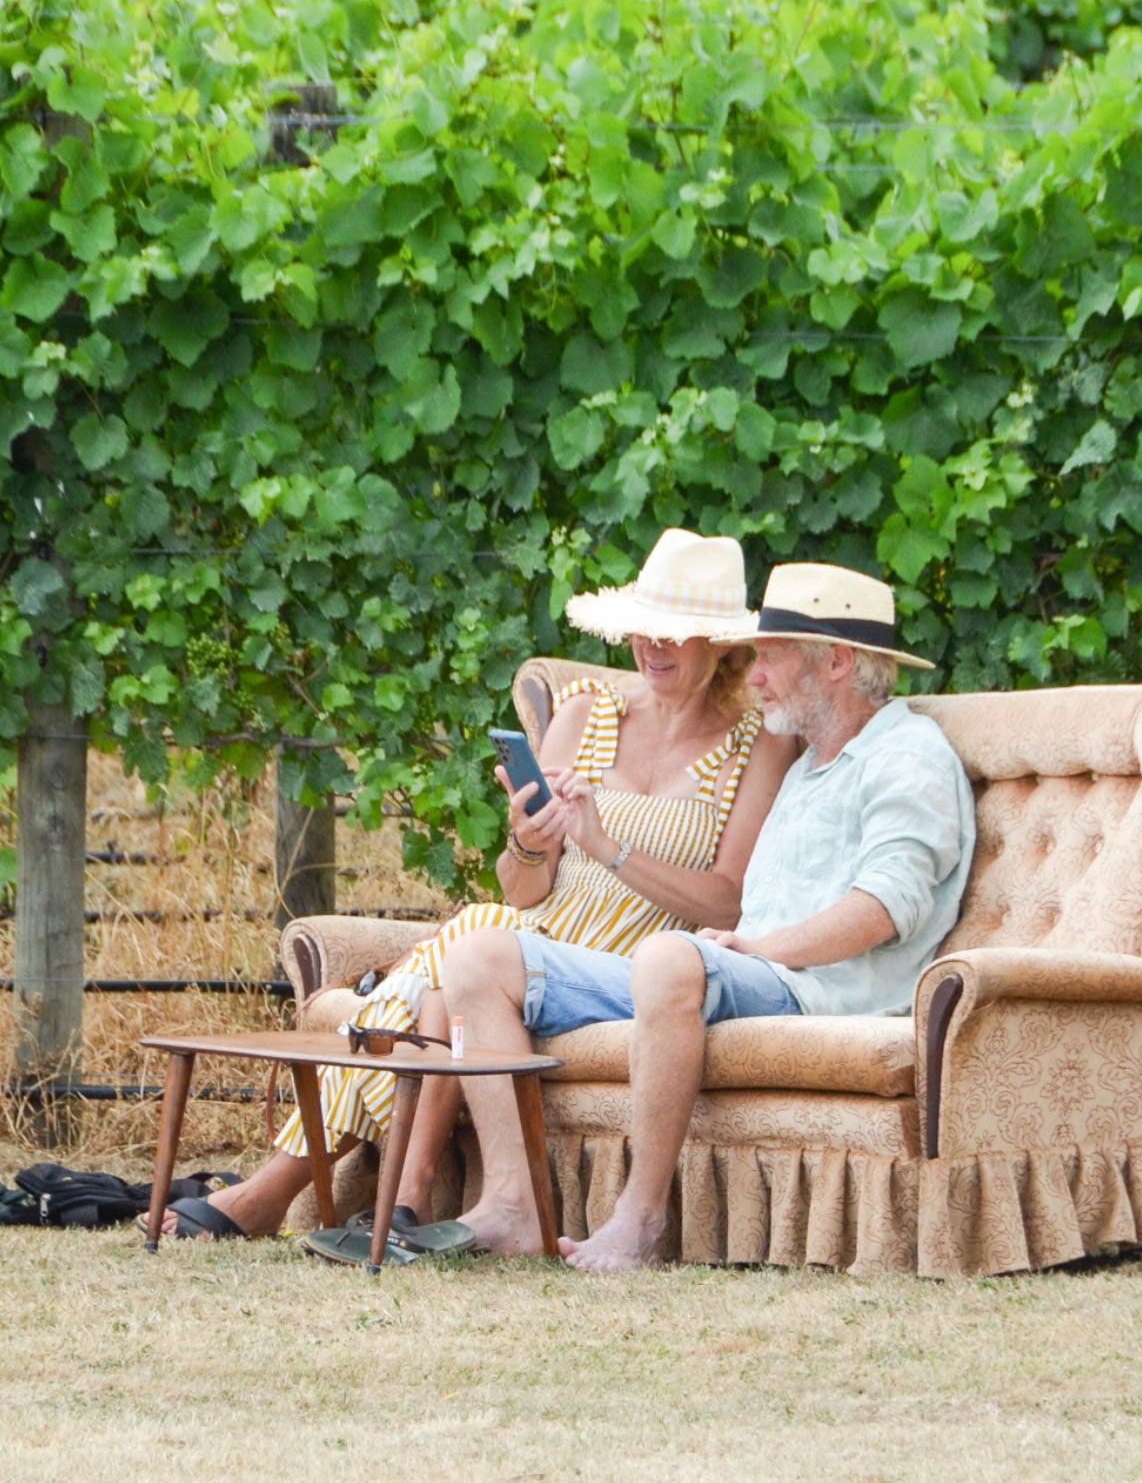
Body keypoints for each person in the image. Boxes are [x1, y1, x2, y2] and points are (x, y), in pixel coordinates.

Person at [149, 528, 796, 1250]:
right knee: (458, 955)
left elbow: (726, 901)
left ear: (721, 643)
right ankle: (407, 1193)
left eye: (675, 632)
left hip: (631, 959)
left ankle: (283, 1190)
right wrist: (531, 837)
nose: (653, 645)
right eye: (641, 627)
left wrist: (605, 847)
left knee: (415, 993)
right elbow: (521, 889)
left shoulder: (756, 744)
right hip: (534, 929)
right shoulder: (587, 712)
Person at [436, 558, 976, 1270]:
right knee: (481, 956)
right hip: (745, 967)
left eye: (770, 660)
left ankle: (641, 1220)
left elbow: (882, 908)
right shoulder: (812, 762)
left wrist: (759, 948)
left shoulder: (906, 757)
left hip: (813, 988)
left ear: (838, 662)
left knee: (667, 955)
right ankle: (512, 1204)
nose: (751, 678)